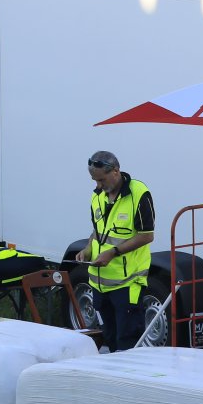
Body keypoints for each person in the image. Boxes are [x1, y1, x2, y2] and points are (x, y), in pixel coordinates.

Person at [76, 150, 155, 351]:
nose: (98, 186)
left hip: (127, 284)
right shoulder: (97, 196)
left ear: (116, 171)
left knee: (127, 344)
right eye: (95, 181)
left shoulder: (139, 194)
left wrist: (113, 252)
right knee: (109, 340)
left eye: (101, 180)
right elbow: (97, 231)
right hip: (99, 285)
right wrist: (87, 249)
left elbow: (147, 235)